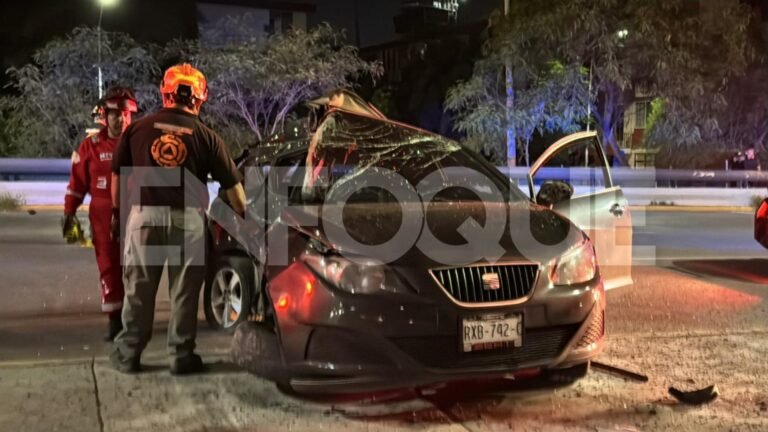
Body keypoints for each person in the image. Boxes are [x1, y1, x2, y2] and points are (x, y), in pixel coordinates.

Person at [110, 63, 246, 375]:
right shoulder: (208, 137)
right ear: (199, 98)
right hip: (188, 222)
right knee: (185, 292)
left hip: (144, 217)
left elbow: (117, 176)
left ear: (166, 93)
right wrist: (244, 217)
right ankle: (181, 356)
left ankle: (128, 354)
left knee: (139, 289)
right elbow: (237, 195)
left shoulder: (138, 129)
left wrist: (117, 214)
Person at [62, 86, 138, 341]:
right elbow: (77, 184)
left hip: (138, 214)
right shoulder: (90, 146)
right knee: (109, 267)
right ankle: (115, 320)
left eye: (125, 114)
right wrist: (69, 213)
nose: (121, 119)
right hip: (103, 218)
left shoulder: (141, 143)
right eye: (115, 114)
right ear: (105, 116)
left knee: (139, 268)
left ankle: (137, 316)